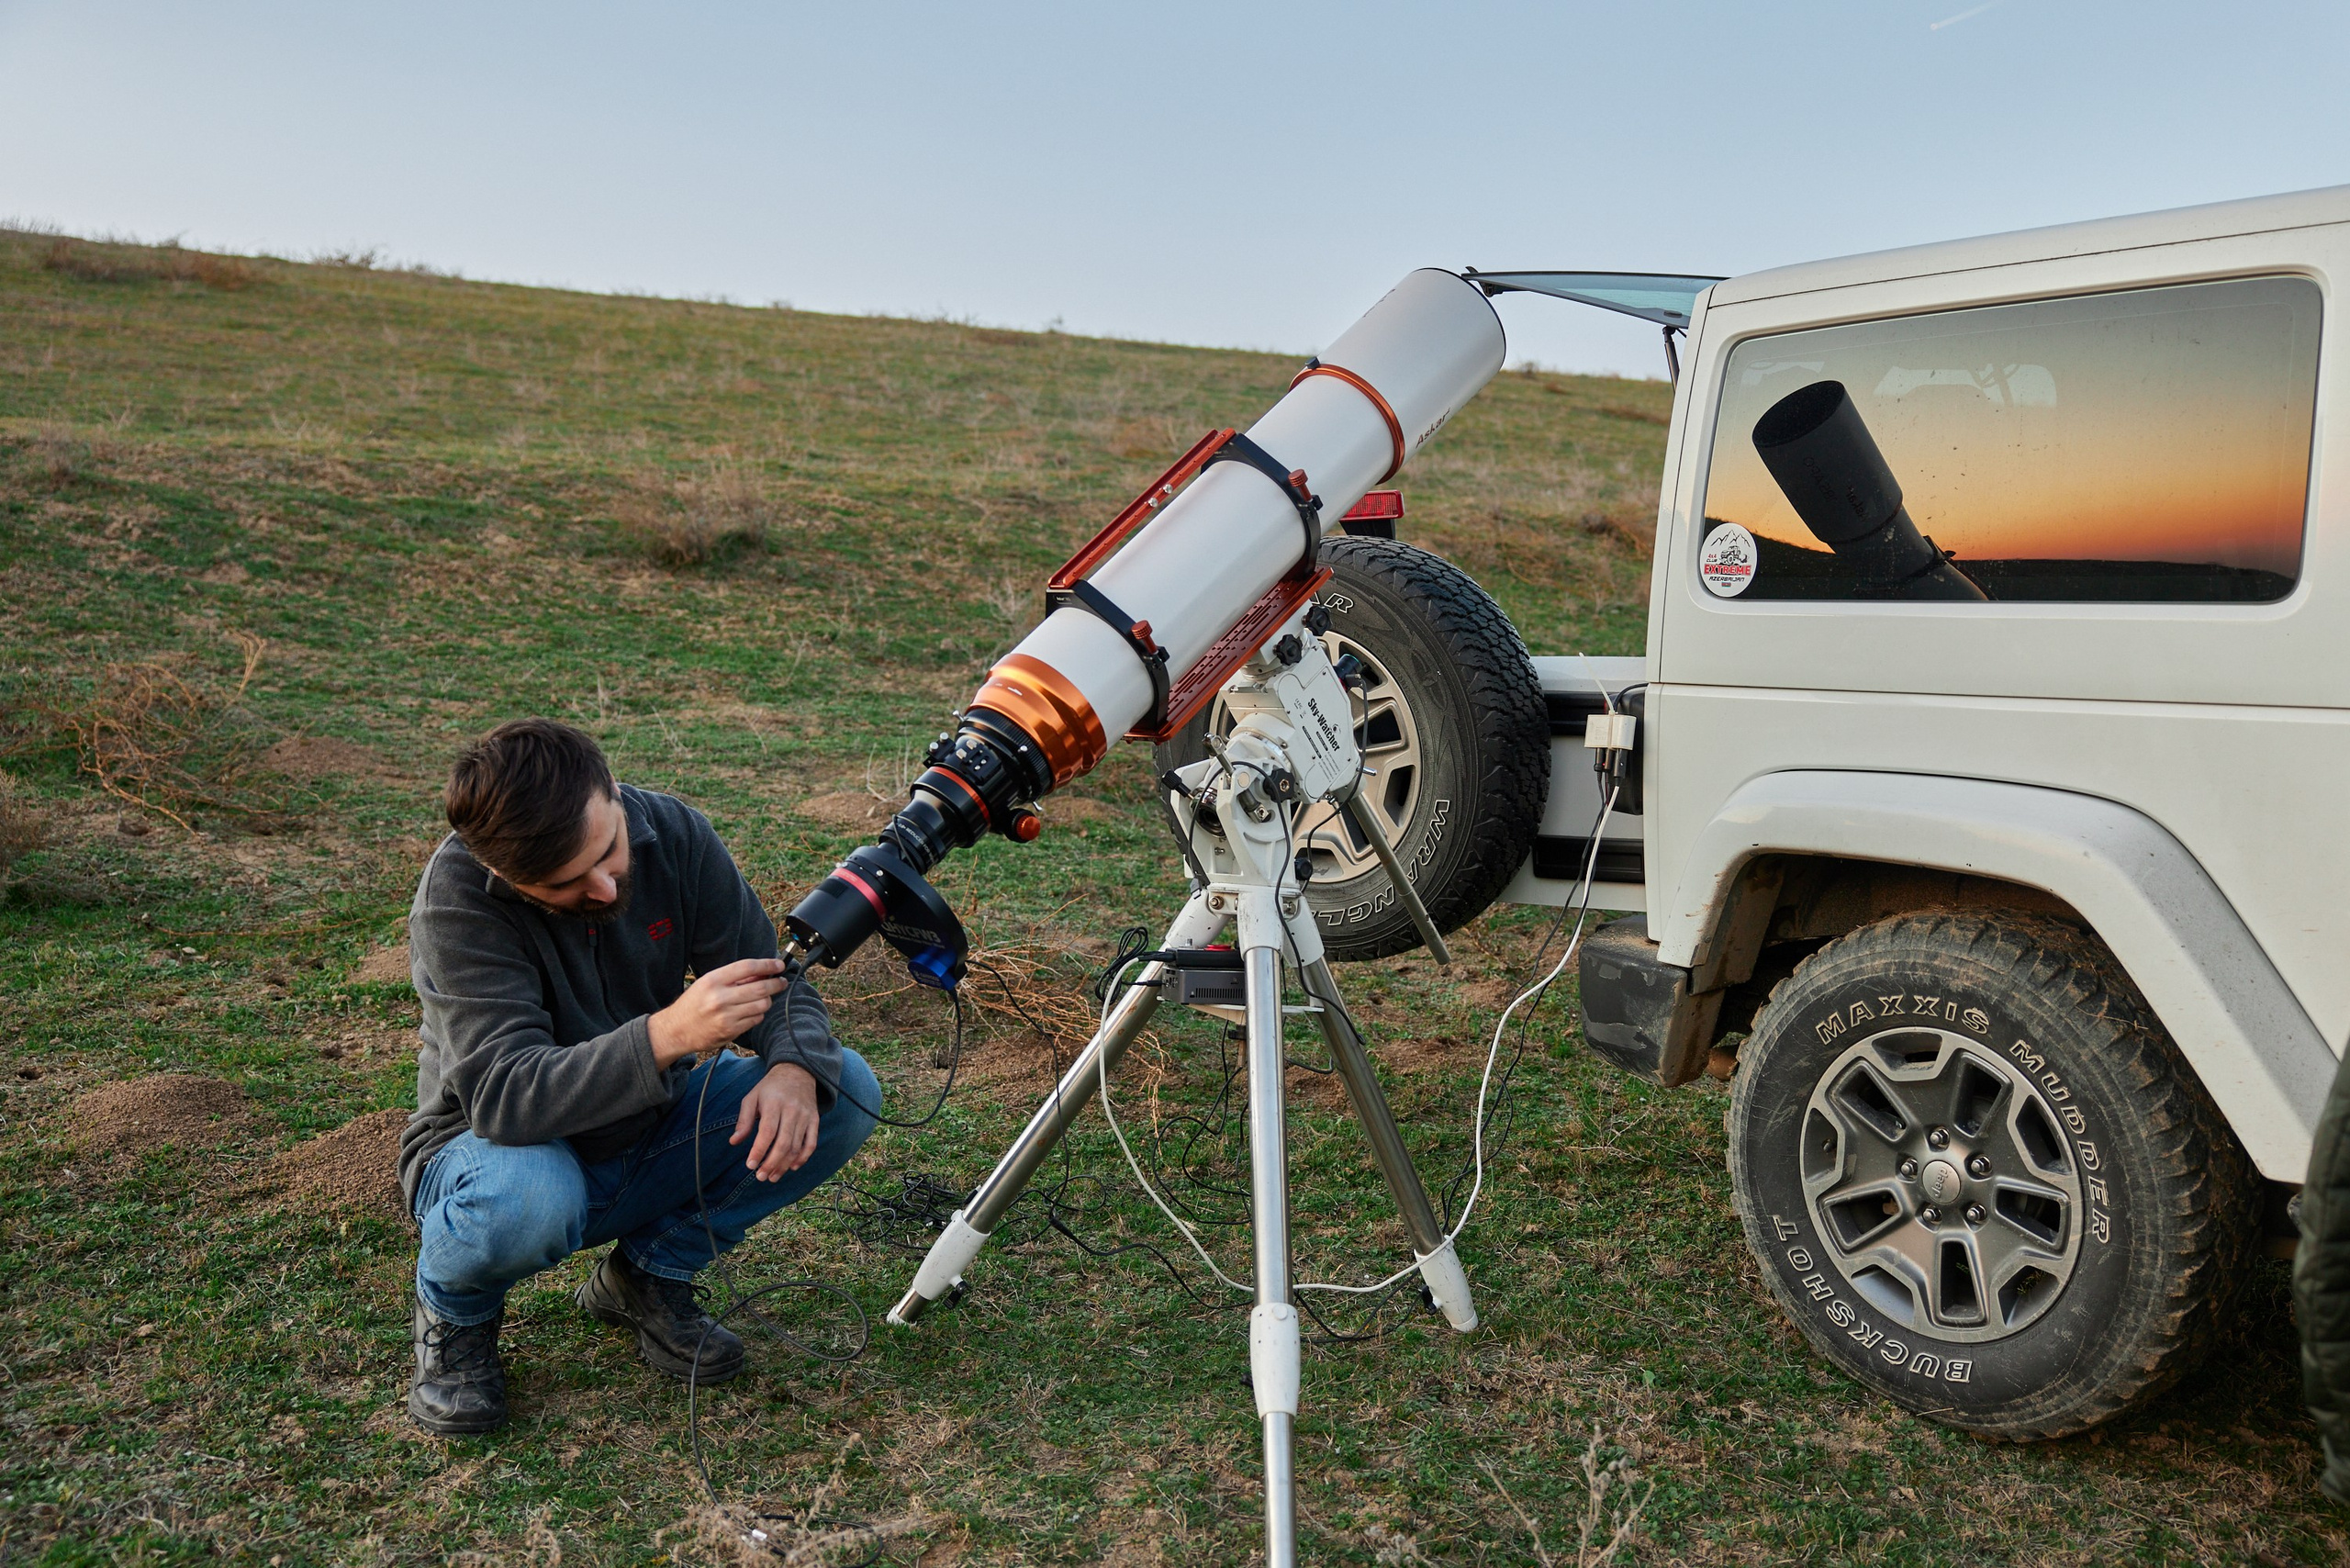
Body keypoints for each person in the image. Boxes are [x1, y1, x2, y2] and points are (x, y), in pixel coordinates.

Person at [397, 718, 879, 1435]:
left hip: (647, 1127)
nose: (602, 885)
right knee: (530, 1192)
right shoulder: (459, 898)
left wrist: (792, 1066)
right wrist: (670, 1034)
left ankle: (647, 1277)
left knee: (844, 1092)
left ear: (611, 792)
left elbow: (774, 982)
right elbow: (502, 1096)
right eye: (562, 884)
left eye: (609, 852)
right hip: (488, 1155)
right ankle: (456, 1317)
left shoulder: (674, 834)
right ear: (504, 874)